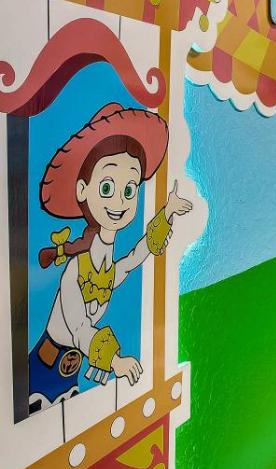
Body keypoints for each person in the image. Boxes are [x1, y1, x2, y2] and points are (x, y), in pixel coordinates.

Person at [29, 103, 193, 411]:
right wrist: (115, 361)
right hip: (41, 372)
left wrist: (167, 213)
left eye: (129, 190)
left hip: (70, 371)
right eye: (107, 187)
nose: (120, 201)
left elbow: (135, 257)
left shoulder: (106, 269)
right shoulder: (75, 270)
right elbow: (79, 327)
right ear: (82, 189)